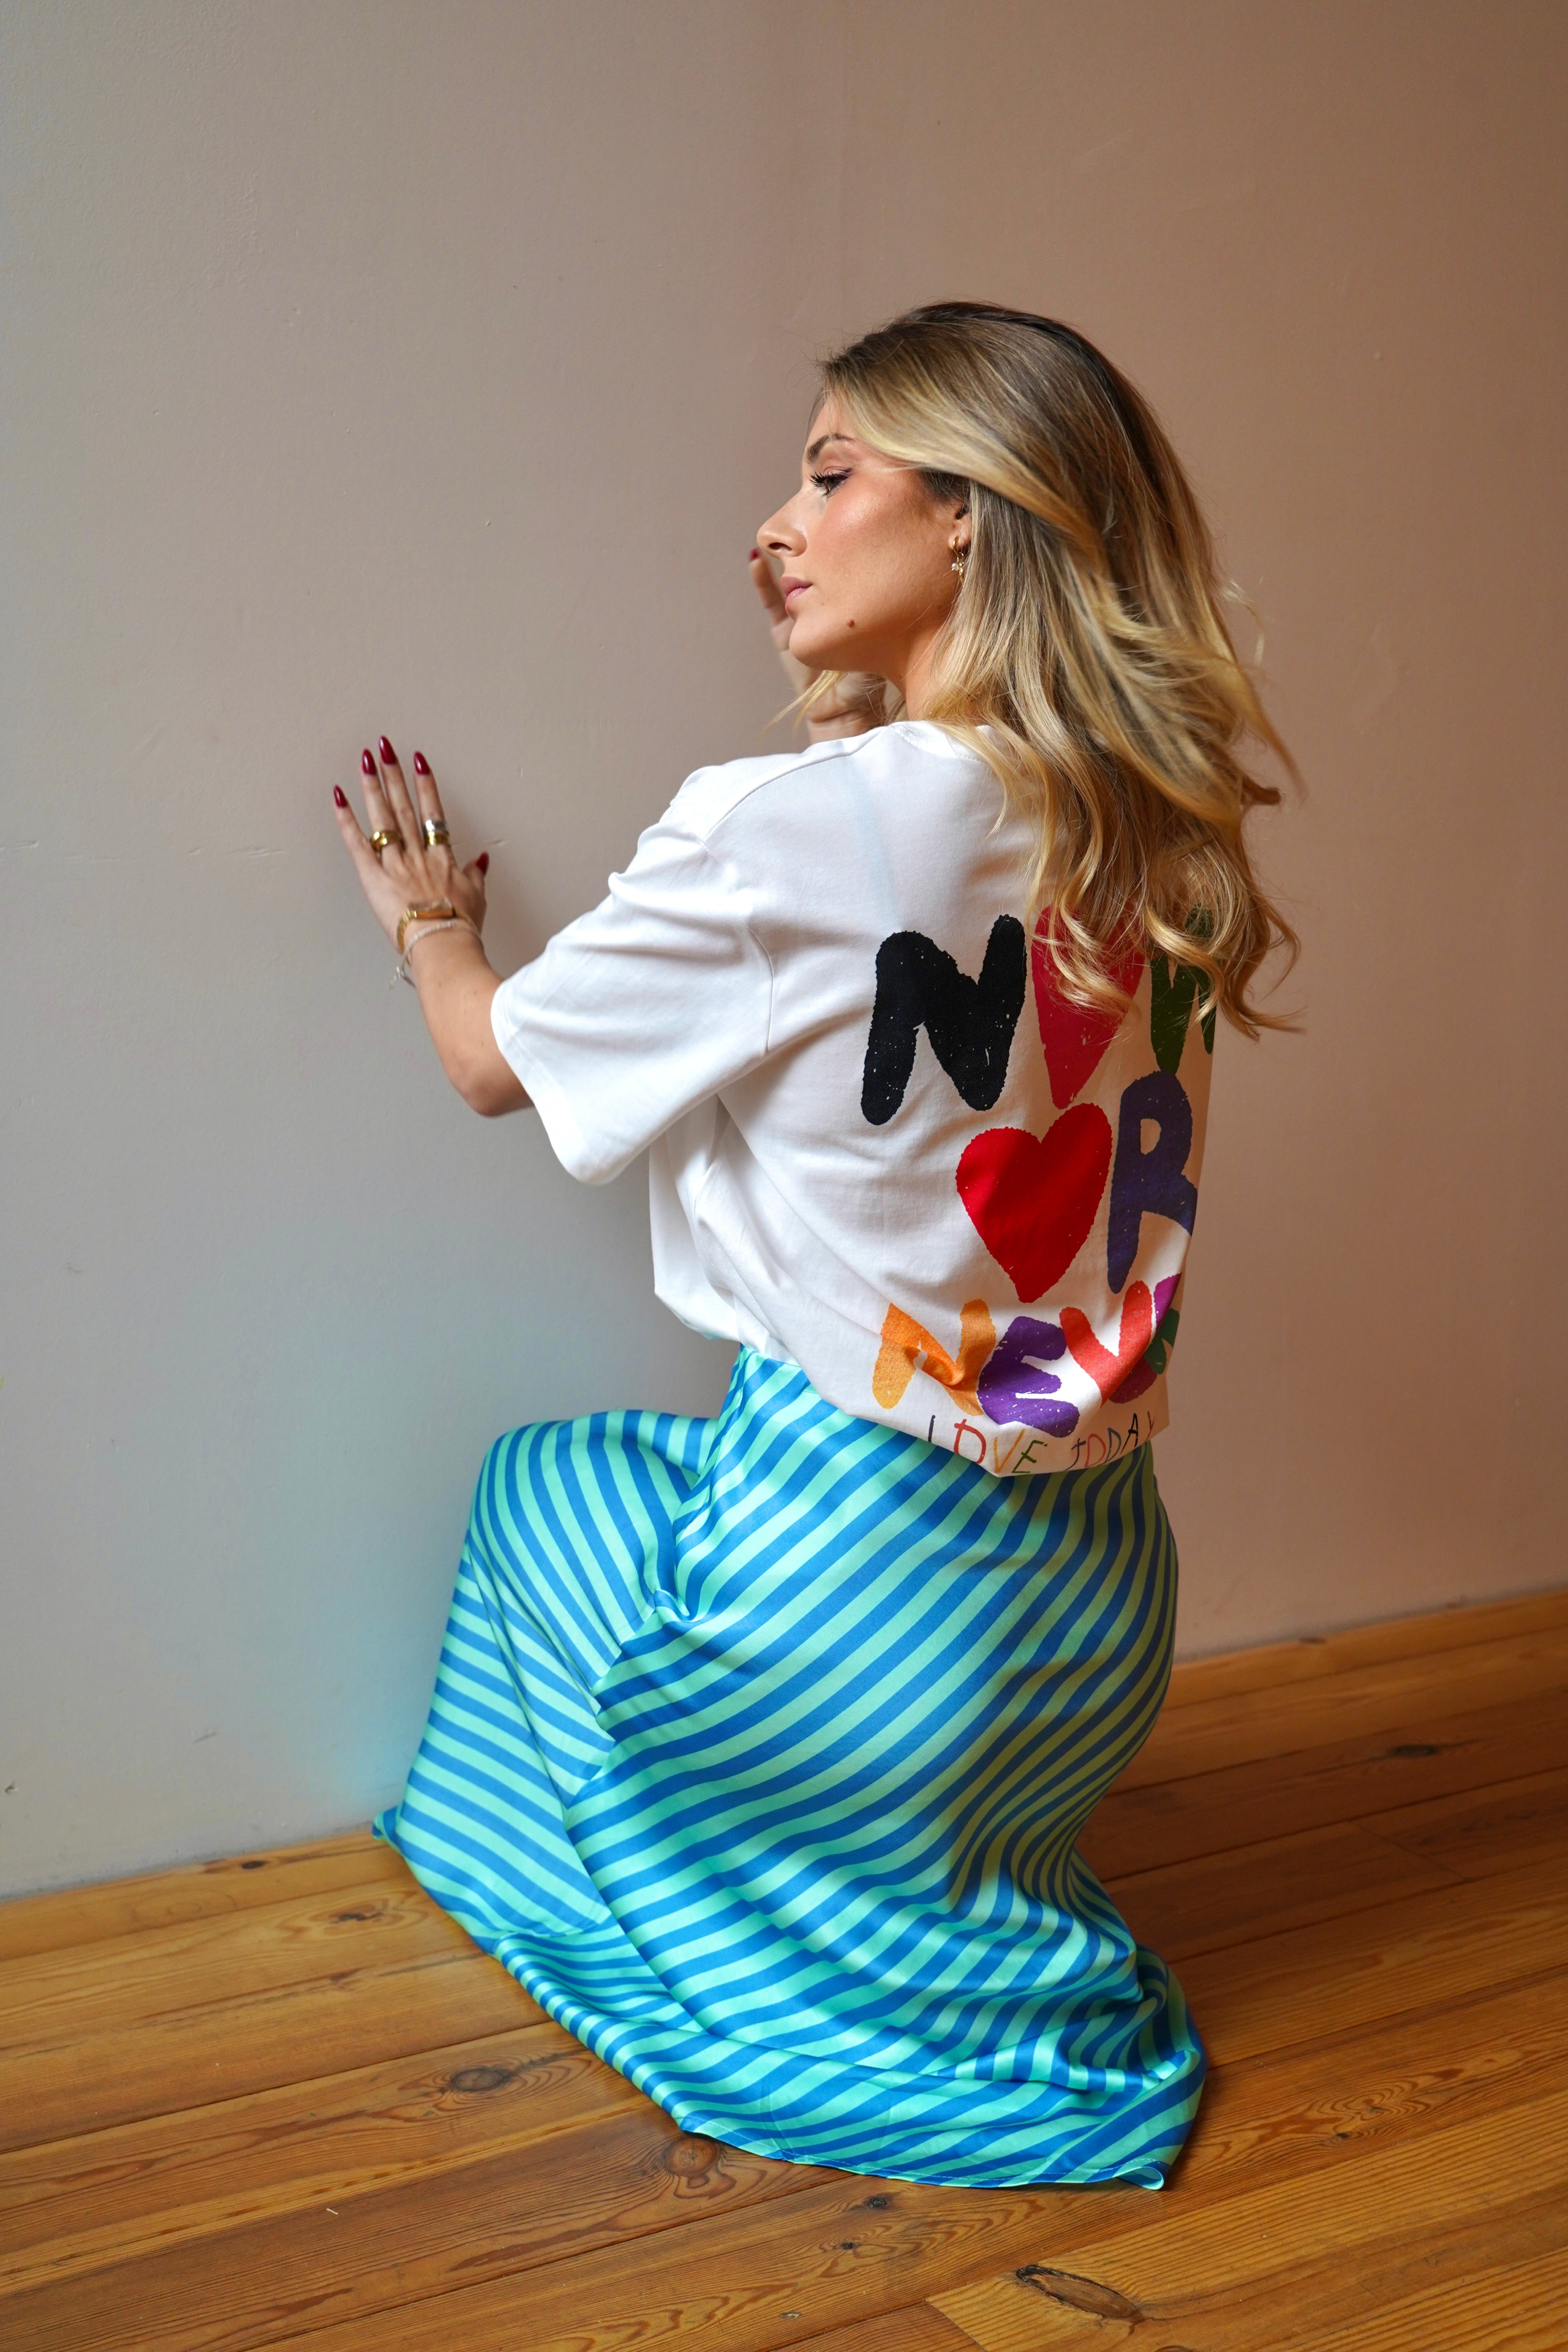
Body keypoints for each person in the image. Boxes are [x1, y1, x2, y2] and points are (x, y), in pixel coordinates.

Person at [332, 303, 1295, 2189]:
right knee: (634, 1496)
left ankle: (732, 1945)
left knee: (541, 1498)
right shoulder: (1154, 819)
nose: (772, 524)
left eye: (830, 474)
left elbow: (487, 1066)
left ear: (972, 514)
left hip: (858, 1594)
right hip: (1095, 1606)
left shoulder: (786, 828)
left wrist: (431, 927)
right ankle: (930, 1907)